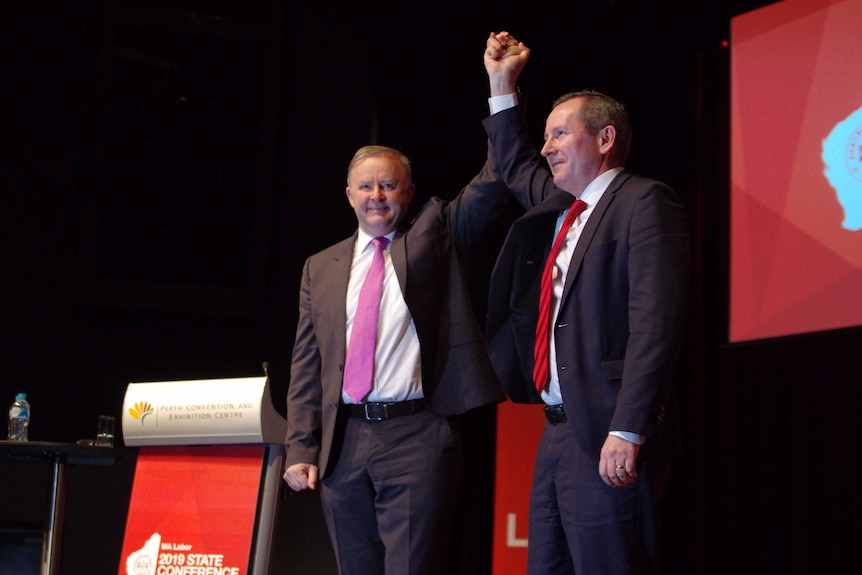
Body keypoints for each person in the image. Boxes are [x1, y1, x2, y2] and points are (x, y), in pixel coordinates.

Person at [482, 32, 691, 574]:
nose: (546, 146)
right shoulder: (562, 207)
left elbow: (655, 324)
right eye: (546, 136)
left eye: (559, 134)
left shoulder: (643, 202)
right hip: (556, 432)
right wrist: (501, 85)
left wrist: (627, 428)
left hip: (606, 429)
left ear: (604, 139)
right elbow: (513, 163)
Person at [282, 144, 508, 575]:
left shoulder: (433, 235)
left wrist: (501, 95)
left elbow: (493, 183)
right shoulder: (320, 266)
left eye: (388, 185)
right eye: (366, 186)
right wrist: (300, 447)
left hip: (416, 435)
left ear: (408, 192)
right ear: (349, 195)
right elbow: (307, 364)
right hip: (342, 443)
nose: (377, 196)